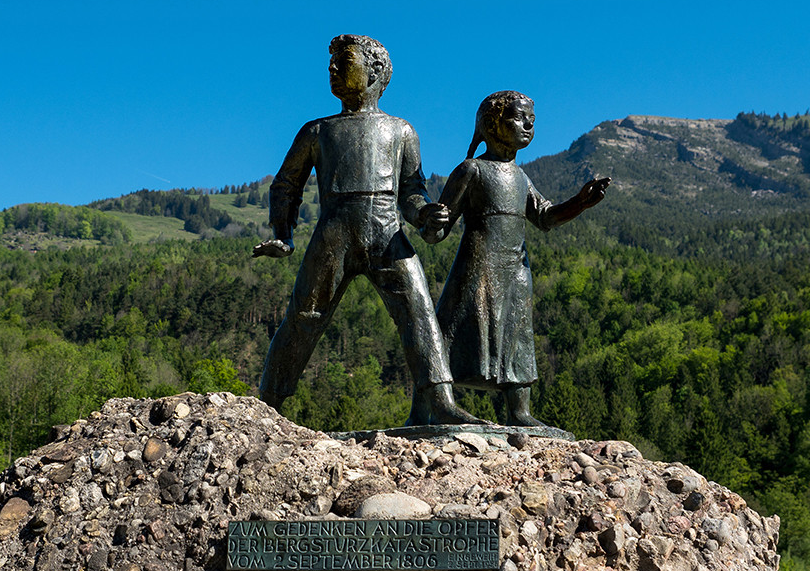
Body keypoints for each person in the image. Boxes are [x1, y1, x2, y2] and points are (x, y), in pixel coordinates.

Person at [252, 34, 491, 427]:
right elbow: (286, 184)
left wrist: (425, 214)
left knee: (418, 309)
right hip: (334, 231)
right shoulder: (317, 131)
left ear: (376, 70)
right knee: (304, 315)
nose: (331, 69)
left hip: (387, 230)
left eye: (342, 61)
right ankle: (268, 403)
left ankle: (441, 401)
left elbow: (412, 193)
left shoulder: (401, 131)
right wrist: (284, 233)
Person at [425, 90, 609, 427]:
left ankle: (519, 411)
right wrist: (432, 221)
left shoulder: (521, 177)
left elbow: (545, 217)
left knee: (518, 336)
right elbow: (438, 230)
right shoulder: (472, 170)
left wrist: (580, 202)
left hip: (516, 270)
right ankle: (432, 404)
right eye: (518, 118)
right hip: (478, 268)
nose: (527, 125)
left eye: (532, 121)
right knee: (451, 331)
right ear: (493, 124)